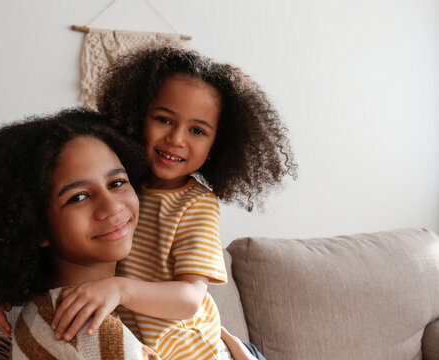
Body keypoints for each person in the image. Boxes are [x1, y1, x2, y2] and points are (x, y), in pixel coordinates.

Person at [20, 46, 297, 360]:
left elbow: (191, 297)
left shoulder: (196, 205)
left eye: (197, 130)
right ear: (139, 118)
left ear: (214, 148)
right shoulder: (121, 189)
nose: (177, 139)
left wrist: (119, 289)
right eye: (164, 119)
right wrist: (15, 295)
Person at [0, 108, 162, 359]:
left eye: (116, 183)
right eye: (78, 197)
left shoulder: (44, 313)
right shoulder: (89, 331)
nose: (112, 206)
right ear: (34, 226)